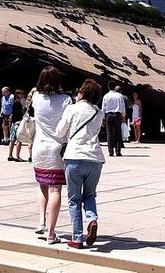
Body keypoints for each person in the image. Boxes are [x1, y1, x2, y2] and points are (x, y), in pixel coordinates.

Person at [55, 79, 105, 249]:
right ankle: (92, 219)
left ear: (82, 93)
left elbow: (59, 131)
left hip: (75, 156)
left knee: (74, 199)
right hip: (95, 158)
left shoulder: (72, 108)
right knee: (90, 195)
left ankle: (77, 237)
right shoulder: (99, 112)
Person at [31, 66, 73, 245]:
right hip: (57, 147)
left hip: (39, 147)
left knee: (42, 185)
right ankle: (51, 231)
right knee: (56, 188)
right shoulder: (65, 100)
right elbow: (68, 123)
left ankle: (41, 221)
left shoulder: (36, 97)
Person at [101, 81, 126, 156]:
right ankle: (118, 151)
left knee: (109, 133)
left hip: (109, 115)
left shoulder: (106, 96)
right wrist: (123, 115)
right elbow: (122, 106)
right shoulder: (119, 95)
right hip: (117, 115)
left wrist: (103, 118)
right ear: (115, 87)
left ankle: (111, 151)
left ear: (108, 87)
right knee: (118, 133)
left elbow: (103, 108)